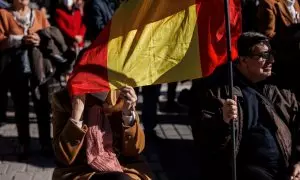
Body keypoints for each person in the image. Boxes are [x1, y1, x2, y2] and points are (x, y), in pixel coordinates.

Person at [190, 32, 300, 180]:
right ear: (243, 60)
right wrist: (223, 120)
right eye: (263, 56)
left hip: (285, 171)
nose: (271, 60)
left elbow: (298, 123)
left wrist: (298, 161)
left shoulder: (278, 89)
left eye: (271, 54)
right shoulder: (220, 91)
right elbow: (206, 142)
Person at [51, 86, 152, 180]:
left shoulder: (122, 94)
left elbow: (135, 150)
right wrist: (76, 116)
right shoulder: (65, 98)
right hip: (80, 171)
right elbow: (62, 156)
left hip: (122, 166)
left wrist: (128, 115)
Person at [0, 0, 52, 159]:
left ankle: (45, 144)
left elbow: (50, 36)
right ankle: (24, 144)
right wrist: (19, 39)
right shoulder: (4, 14)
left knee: (42, 105)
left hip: (38, 68)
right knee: (20, 106)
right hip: (15, 69)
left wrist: (39, 40)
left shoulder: (38, 14)